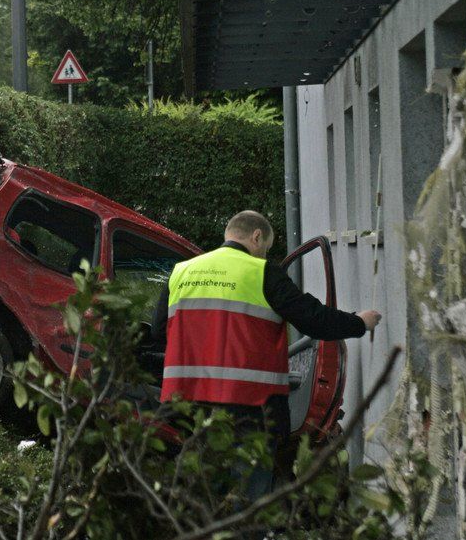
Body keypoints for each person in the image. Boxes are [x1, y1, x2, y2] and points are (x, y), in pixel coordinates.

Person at [150, 210, 382, 499]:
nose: (264, 254)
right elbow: (313, 319)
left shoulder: (182, 272)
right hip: (250, 409)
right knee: (249, 499)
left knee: (199, 496)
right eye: (266, 248)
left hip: (186, 406)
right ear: (257, 237)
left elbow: (159, 333)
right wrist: (359, 323)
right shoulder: (261, 272)